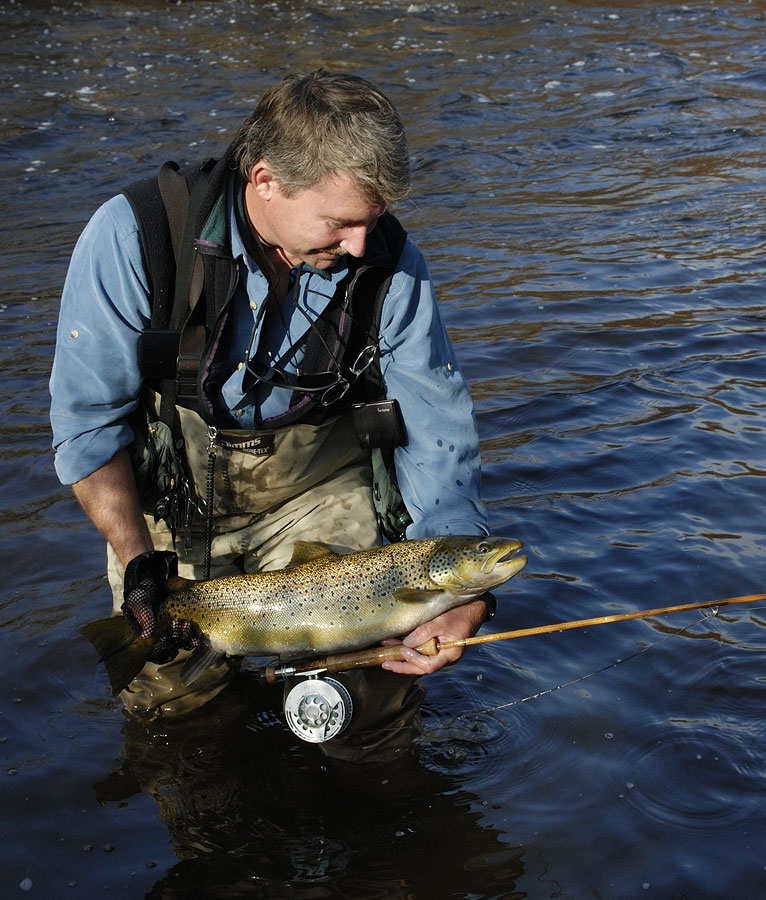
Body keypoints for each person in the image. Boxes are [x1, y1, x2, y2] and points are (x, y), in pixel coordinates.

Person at [50, 70, 492, 760]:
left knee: (371, 686)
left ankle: (383, 830)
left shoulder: (390, 267)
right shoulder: (137, 239)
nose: (358, 244)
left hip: (316, 491)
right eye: (340, 222)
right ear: (264, 181)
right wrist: (139, 562)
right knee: (172, 712)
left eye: (370, 220)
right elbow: (87, 431)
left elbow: (438, 438)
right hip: (175, 505)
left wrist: (461, 589)